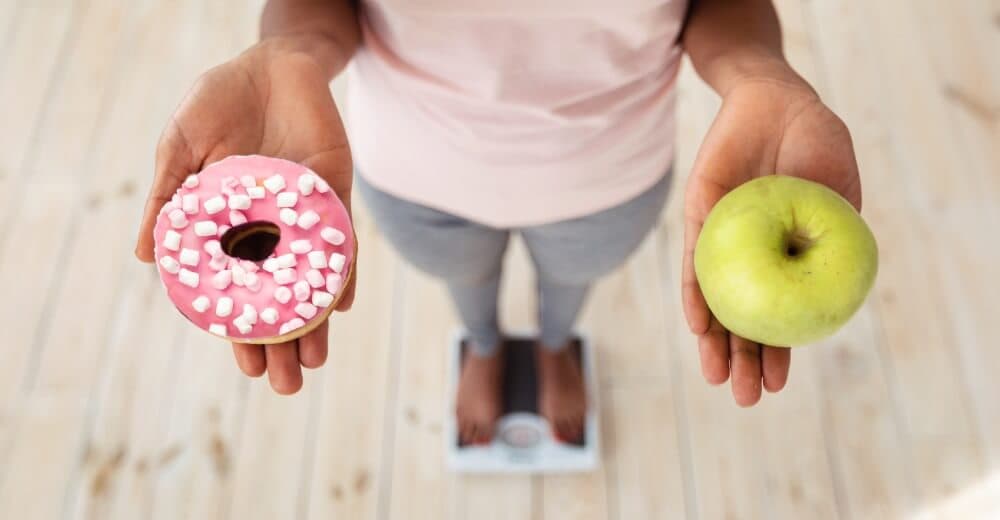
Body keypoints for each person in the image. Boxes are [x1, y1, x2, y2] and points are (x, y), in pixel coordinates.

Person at [134, 0, 862, 444]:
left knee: (571, 284)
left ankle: (551, 348)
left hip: (610, 175)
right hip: (415, 173)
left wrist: (757, 73)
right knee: (465, 280)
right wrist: (287, 54)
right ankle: (483, 346)